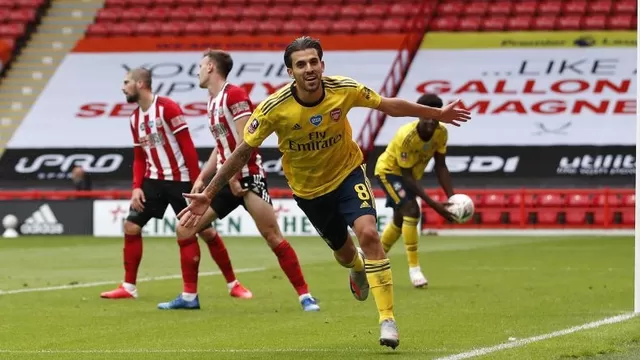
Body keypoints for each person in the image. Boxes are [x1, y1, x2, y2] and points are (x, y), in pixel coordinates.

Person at [177, 37, 471, 349]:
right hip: (309, 192)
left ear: (322, 64)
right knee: (345, 255)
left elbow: (387, 104)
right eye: (300, 64)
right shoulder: (273, 109)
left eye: (313, 62)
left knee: (369, 234)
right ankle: (357, 268)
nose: (309, 69)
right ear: (291, 71)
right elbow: (241, 151)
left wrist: (436, 114)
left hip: (348, 174)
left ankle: (387, 319)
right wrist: (208, 193)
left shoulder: (343, 88)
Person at [165, 49, 319, 312]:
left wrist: (235, 176)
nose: (198, 71)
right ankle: (190, 296)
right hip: (225, 180)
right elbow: (220, 146)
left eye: (201, 66)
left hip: (248, 177)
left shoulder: (234, 95)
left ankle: (305, 296)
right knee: (184, 228)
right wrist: (203, 177)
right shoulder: (212, 101)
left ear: (212, 67)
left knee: (272, 236)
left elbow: (245, 139)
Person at [100, 68, 253, 308]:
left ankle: (232, 284)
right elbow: (139, 157)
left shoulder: (167, 107)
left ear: (140, 84)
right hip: (153, 181)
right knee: (131, 226)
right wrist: (136, 187)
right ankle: (129, 287)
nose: (123, 87)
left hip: (180, 180)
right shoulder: (134, 119)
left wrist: (196, 183)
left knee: (205, 232)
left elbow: (187, 146)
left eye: (126, 82)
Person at [375, 93, 456, 289]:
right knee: (412, 210)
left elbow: (441, 167)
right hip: (390, 173)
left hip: (409, 177)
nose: (430, 121)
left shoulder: (441, 133)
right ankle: (414, 269)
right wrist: (434, 205)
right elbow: (406, 176)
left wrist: (453, 198)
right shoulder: (406, 136)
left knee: (399, 220)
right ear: (419, 115)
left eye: (434, 116)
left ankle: (374, 261)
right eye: (425, 116)